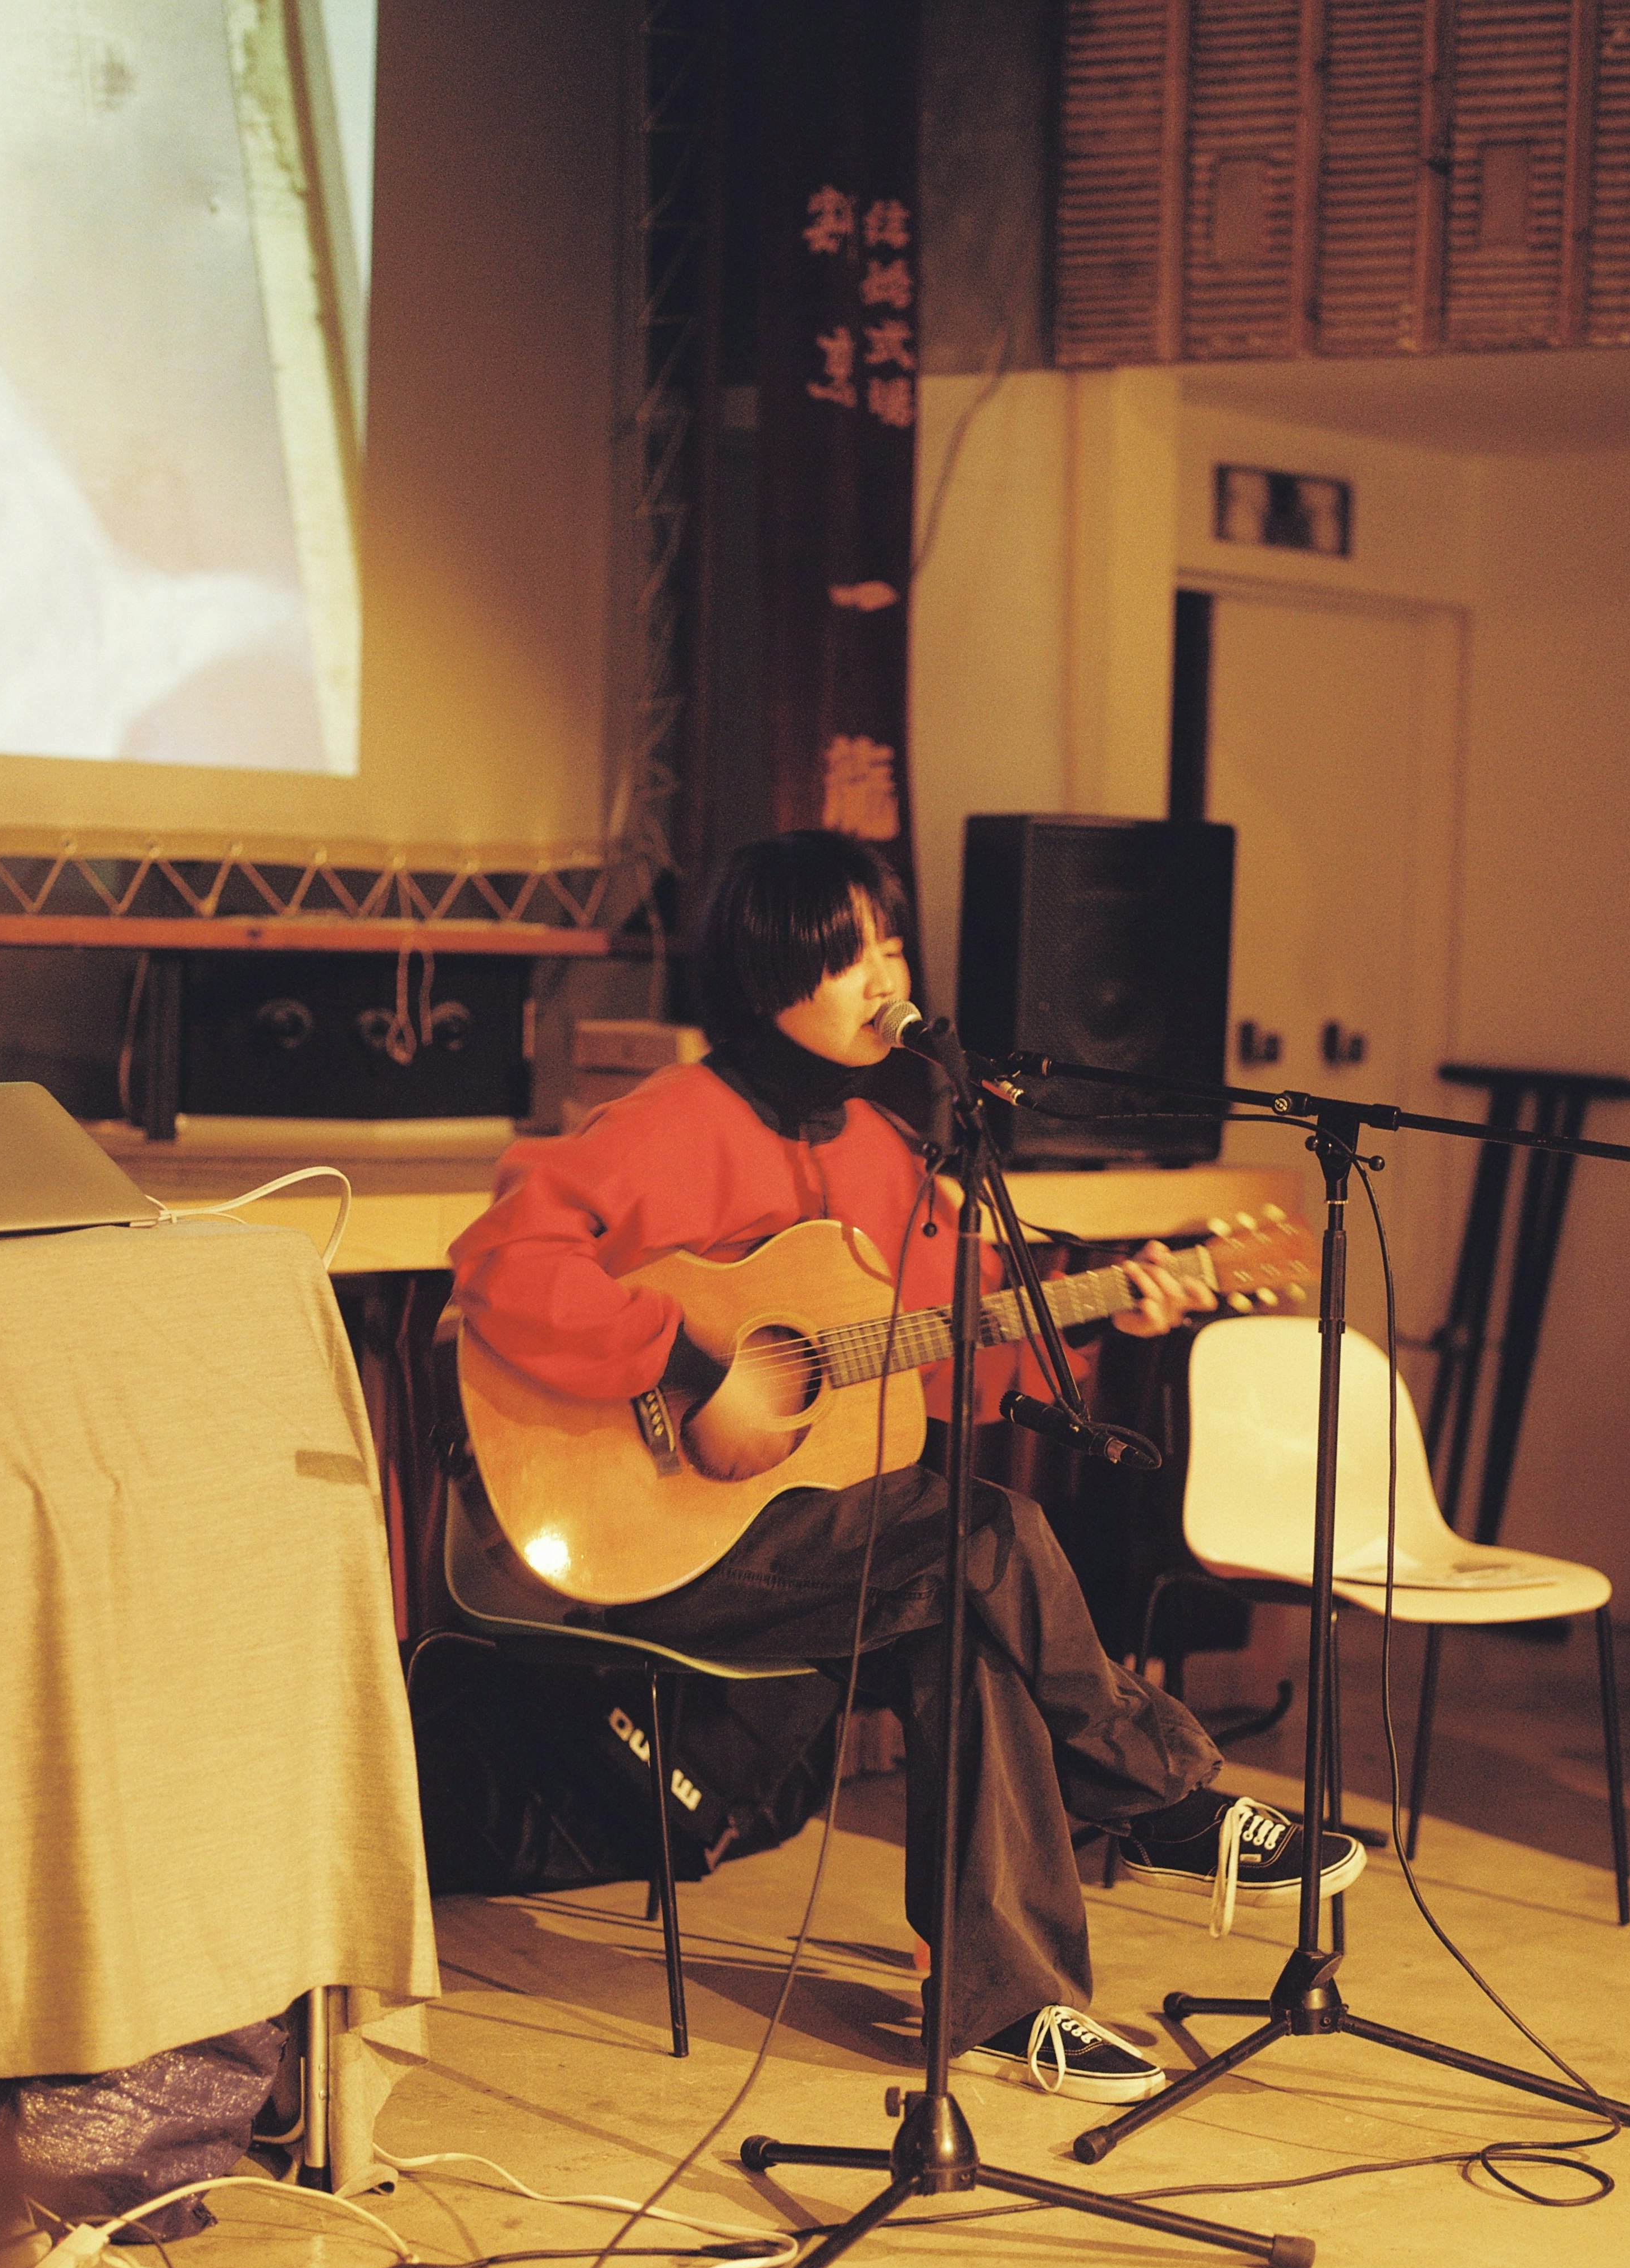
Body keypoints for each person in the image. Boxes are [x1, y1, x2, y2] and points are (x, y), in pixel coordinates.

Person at [450, 830, 1363, 2101]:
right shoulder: (666, 1126)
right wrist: (687, 1362)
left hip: (823, 1535)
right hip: (658, 1539)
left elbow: (955, 1356)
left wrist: (1097, 1317)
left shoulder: (889, 1150)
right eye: (853, 955)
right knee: (982, 1539)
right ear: (774, 973)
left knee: (970, 1621)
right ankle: (1158, 1794)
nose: (889, 977)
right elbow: (502, 1265)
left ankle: (1009, 2003)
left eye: (893, 946)